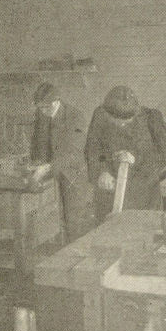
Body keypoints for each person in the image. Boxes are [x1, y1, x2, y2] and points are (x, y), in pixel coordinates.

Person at [85, 85, 166, 215]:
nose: (122, 124)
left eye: (127, 121)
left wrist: (136, 159)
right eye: (116, 120)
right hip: (109, 194)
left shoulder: (152, 118)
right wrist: (102, 170)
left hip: (144, 193)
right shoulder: (99, 115)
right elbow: (92, 149)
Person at [30, 81, 93, 241]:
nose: (43, 111)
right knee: (50, 224)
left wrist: (47, 167)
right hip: (51, 174)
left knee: (74, 225)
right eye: (40, 108)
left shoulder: (75, 116)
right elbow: (38, 142)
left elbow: (73, 152)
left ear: (56, 101)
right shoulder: (42, 114)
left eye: (46, 107)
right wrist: (37, 161)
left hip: (73, 176)